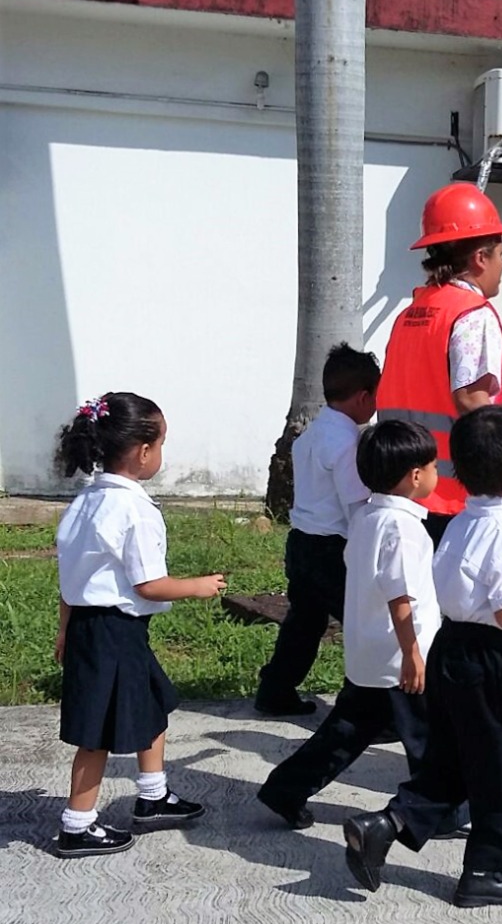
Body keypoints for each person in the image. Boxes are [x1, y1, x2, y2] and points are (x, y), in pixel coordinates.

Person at [341, 406, 502, 908]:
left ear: (459, 469)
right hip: (490, 659)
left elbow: (483, 598)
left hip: (452, 648)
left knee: (456, 759)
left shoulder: (464, 521)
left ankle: (386, 823)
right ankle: (487, 870)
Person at [377, 181, 502, 739]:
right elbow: (474, 400)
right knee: (500, 615)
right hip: (468, 494)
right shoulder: (472, 315)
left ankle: (468, 729)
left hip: (416, 493)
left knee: (449, 620)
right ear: (480, 255)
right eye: (501, 253)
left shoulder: (410, 316)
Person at [257, 420, 465, 838]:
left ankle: (285, 788)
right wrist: (412, 655)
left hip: (370, 655)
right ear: (415, 476)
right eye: (433, 465)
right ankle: (438, 812)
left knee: (344, 735)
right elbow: (400, 597)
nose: (437, 472)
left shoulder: (368, 517)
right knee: (428, 742)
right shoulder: (403, 529)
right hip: (403, 660)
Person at [52, 392, 224, 858]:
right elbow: (149, 584)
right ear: (144, 451)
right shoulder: (134, 509)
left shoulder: (84, 502)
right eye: (162, 443)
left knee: (153, 704)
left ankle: (152, 795)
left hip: (94, 626)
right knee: (96, 735)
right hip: (114, 631)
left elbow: (70, 579)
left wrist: (65, 629)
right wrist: (199, 586)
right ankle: (77, 824)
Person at [255, 344, 379, 716]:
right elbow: (355, 507)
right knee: (363, 625)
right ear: (363, 397)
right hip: (334, 550)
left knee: (304, 624)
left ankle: (275, 689)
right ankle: (366, 707)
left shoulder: (310, 435)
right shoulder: (346, 444)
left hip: (302, 543)